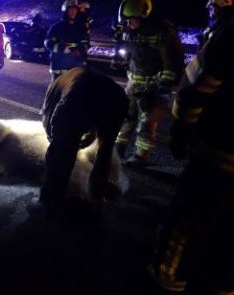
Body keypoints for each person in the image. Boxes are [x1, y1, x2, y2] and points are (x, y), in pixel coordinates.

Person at [148, 1, 234, 294]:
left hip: (220, 153)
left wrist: (181, 131)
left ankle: (167, 280)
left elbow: (194, 87)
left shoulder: (230, 34)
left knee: (188, 219)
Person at [29, 67, 129, 218]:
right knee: (105, 150)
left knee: (61, 150)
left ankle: (49, 203)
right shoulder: (72, 78)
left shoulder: (55, 89)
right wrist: (80, 140)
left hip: (81, 95)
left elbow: (49, 124)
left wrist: (62, 144)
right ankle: (96, 200)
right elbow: (94, 122)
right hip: (117, 98)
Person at [113, 0, 184, 166]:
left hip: (151, 86)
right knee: (126, 117)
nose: (129, 23)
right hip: (132, 83)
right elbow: (132, 54)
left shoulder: (161, 33)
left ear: (144, 16)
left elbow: (172, 62)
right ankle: (119, 148)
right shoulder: (132, 31)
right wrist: (121, 59)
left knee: (146, 123)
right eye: (127, 20)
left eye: (132, 19)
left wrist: (164, 87)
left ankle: (140, 156)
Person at [44, 0, 92, 81]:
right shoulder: (57, 27)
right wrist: (62, 49)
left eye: (75, 9)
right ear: (66, 11)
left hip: (76, 68)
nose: (73, 11)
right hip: (60, 69)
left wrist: (80, 50)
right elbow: (48, 43)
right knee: (56, 93)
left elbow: (86, 43)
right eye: (70, 9)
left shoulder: (81, 28)